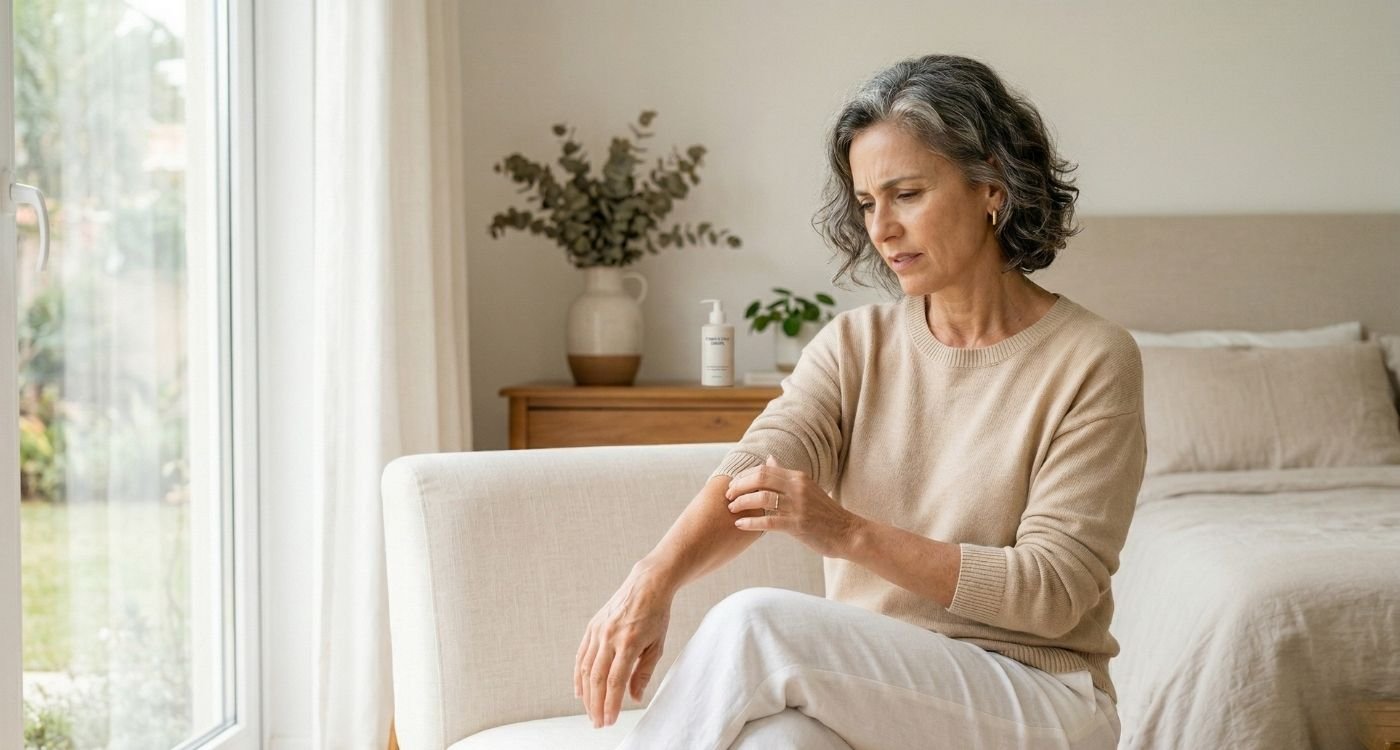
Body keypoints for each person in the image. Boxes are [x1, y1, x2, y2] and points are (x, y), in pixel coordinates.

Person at [574, 53, 1146, 750]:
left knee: (754, 624)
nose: (881, 229)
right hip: (875, 688)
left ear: (991, 186)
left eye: (906, 194)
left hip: (1036, 697)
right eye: (869, 203)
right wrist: (652, 581)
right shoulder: (856, 344)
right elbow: (758, 466)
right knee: (774, 745)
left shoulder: (1092, 358)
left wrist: (846, 533)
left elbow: (1053, 590)